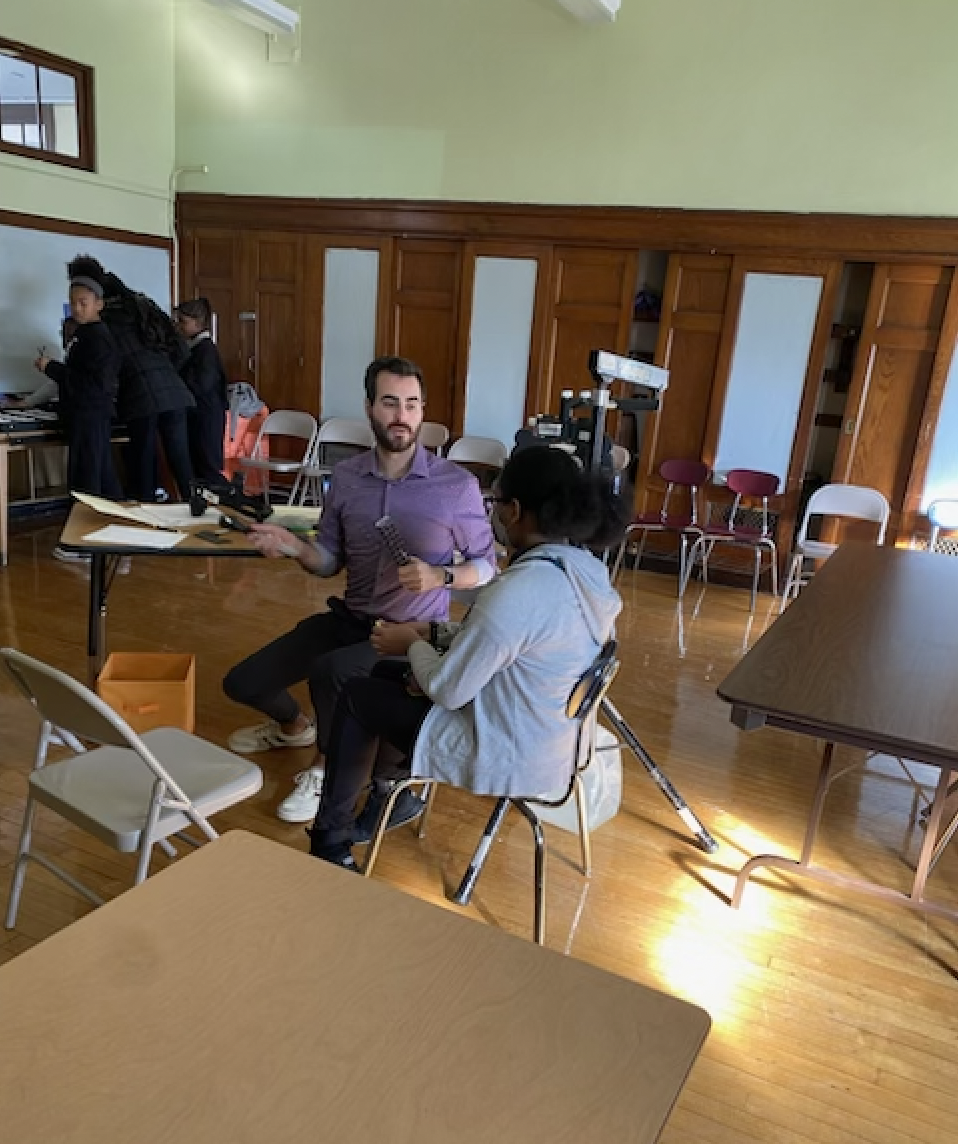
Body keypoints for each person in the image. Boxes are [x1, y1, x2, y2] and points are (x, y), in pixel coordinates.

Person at [306, 444, 626, 869]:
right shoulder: (583, 573)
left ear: (513, 510)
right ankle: (388, 794)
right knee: (385, 675)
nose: (491, 515)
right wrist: (435, 631)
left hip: (508, 750)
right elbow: (516, 641)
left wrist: (413, 644)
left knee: (356, 695)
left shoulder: (517, 591)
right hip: (555, 738)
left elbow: (448, 690)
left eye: (494, 504)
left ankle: (331, 846)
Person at [223, 355, 497, 824]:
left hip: (407, 634)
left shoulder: (456, 486)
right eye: (390, 403)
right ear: (370, 407)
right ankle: (295, 728)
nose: (401, 415)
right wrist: (294, 547)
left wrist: (442, 577)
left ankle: (326, 769)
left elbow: (487, 567)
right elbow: (329, 560)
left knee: (331, 672)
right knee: (242, 682)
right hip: (349, 617)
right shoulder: (347, 477)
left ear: (423, 410)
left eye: (411, 404)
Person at [66, 255, 195, 503]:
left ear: (98, 299)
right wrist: (166, 375)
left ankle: (143, 523)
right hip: (175, 392)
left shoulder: (102, 324)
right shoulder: (142, 304)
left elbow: (106, 368)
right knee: (181, 461)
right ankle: (197, 514)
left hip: (139, 397)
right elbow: (181, 348)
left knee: (143, 463)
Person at [34, 278, 123, 561]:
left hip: (90, 412)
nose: (77, 308)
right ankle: (116, 537)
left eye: (83, 303)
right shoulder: (85, 335)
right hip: (88, 413)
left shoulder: (96, 337)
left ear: (99, 304)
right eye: (72, 303)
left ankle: (83, 544)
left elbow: (89, 383)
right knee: (101, 474)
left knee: (86, 475)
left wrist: (51, 368)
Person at [174, 297, 228, 483]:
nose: (178, 326)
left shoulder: (205, 351)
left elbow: (202, 384)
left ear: (197, 323)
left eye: (183, 322)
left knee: (207, 467)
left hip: (206, 417)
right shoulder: (196, 349)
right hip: (201, 415)